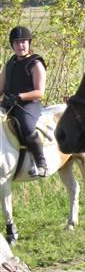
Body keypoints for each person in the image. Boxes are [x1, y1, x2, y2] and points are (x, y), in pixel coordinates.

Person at [0, 26, 48, 177]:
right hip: (9, 104)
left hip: (28, 105)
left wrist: (20, 96)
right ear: (12, 45)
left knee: (27, 126)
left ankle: (41, 164)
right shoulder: (9, 64)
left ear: (29, 43)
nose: (20, 45)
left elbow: (39, 92)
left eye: (23, 42)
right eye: (17, 42)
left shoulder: (35, 64)